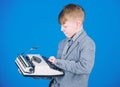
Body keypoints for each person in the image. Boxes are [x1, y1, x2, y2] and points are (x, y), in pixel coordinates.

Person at [48, 3, 96, 87]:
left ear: (77, 24)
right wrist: (34, 72)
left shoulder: (88, 43)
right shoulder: (62, 43)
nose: (61, 29)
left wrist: (57, 62)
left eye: (65, 26)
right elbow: (59, 72)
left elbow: (85, 67)